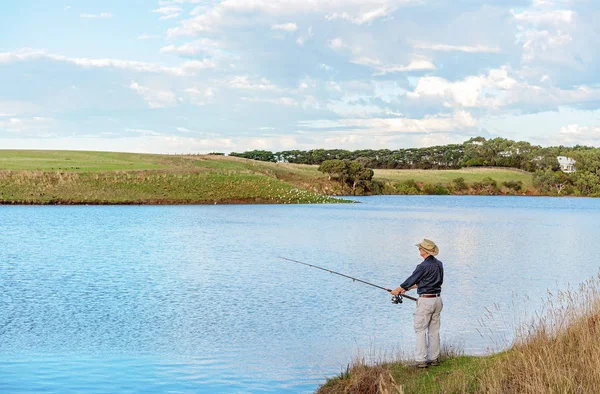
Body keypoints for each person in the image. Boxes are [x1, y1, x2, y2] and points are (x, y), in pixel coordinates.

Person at [391, 239, 444, 368]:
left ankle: (420, 361)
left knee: (420, 330)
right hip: (437, 300)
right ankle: (434, 359)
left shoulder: (422, 266)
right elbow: (426, 281)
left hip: (425, 301)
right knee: (434, 331)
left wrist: (398, 289)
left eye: (420, 248)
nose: (419, 250)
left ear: (424, 251)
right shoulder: (439, 264)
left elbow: (412, 279)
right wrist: (406, 289)